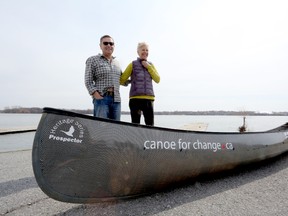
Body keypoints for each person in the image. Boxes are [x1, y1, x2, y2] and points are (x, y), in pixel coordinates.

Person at [120, 42, 160, 126]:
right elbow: (122, 79)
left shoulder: (151, 65)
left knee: (150, 125)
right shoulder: (132, 64)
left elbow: (157, 79)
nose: (145, 52)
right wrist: (131, 81)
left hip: (148, 99)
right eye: (143, 50)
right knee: (135, 125)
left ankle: (148, 139)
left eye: (147, 50)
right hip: (135, 99)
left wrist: (148, 67)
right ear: (138, 52)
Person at [85, 35, 122, 120]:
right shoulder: (92, 60)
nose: (109, 45)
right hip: (102, 98)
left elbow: (122, 80)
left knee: (116, 129)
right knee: (101, 128)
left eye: (111, 43)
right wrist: (96, 95)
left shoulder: (117, 63)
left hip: (116, 100)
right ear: (100, 46)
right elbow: (88, 80)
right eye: (105, 43)